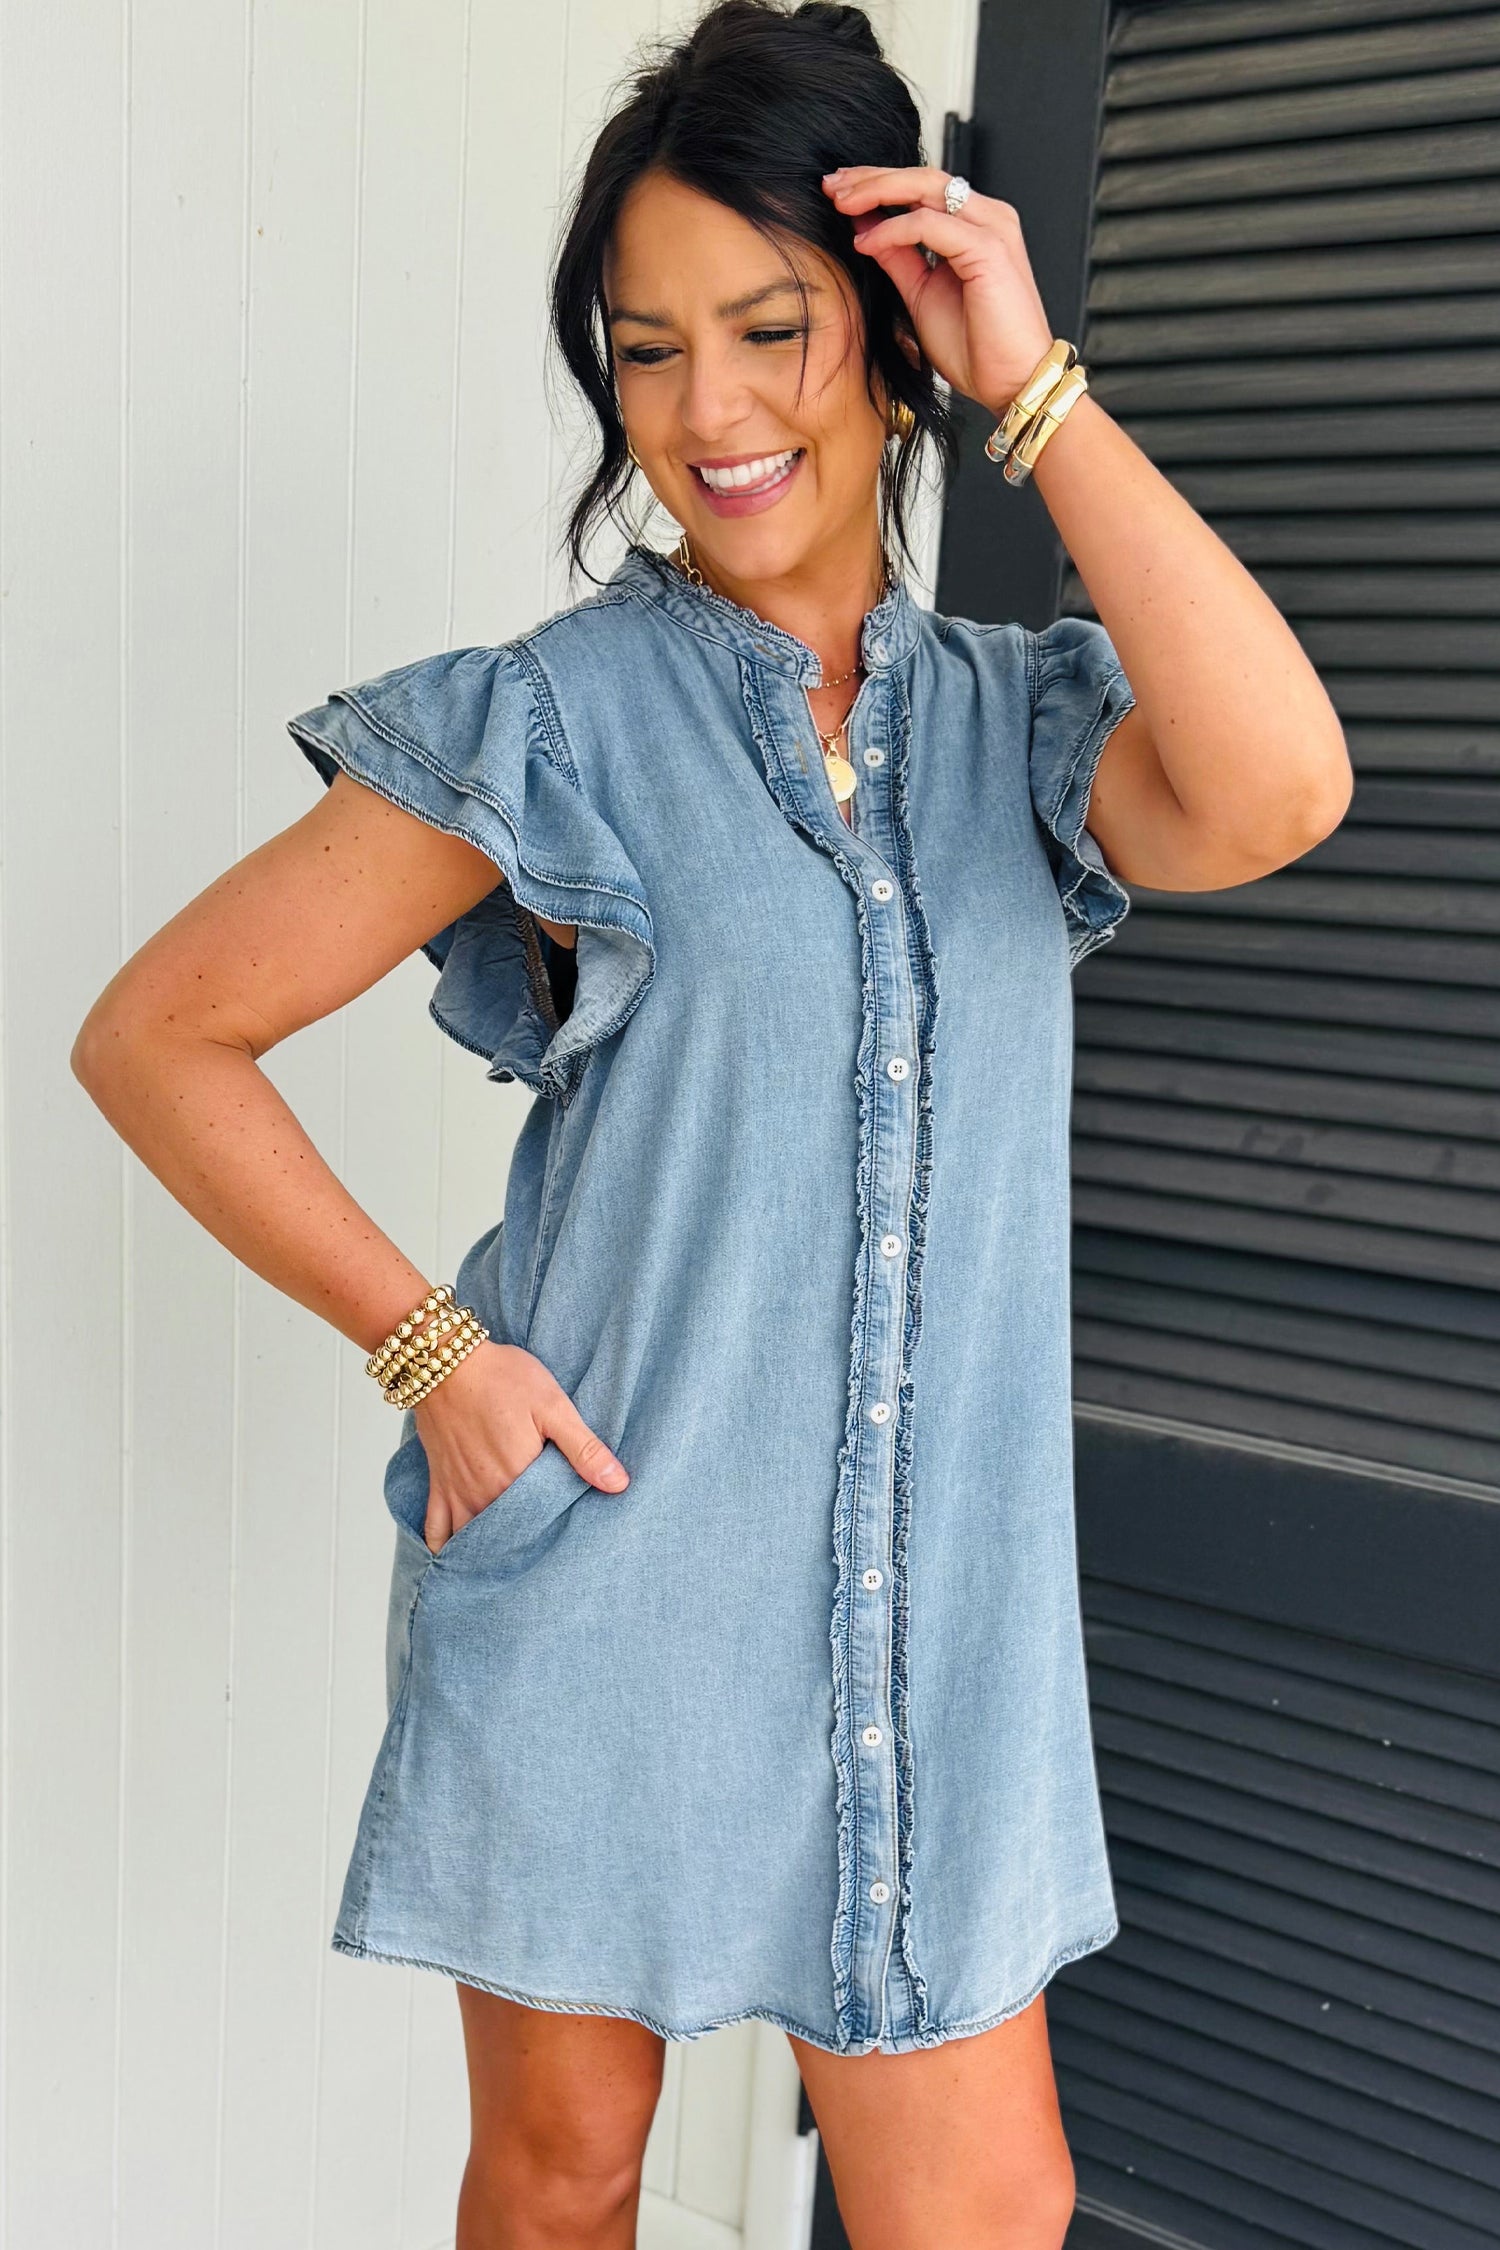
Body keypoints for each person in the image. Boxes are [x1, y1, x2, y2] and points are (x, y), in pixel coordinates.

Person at [71, 3, 1352, 2244]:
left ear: (892, 334)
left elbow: (1282, 787)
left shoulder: (1025, 730)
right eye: (648, 351)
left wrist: (1036, 388)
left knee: (983, 2209)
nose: (710, 412)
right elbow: (160, 1035)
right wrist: (430, 1353)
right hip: (611, 1579)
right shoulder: (548, 724)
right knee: (566, 2180)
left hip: (932, 1634)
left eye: (772, 329)